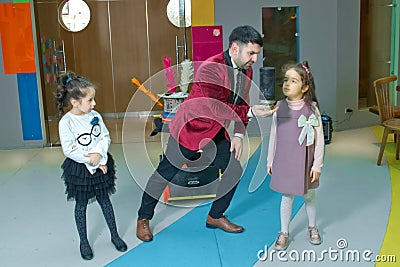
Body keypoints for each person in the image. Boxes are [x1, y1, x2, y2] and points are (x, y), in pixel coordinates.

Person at [136, 25, 278, 242]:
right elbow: (213, 107)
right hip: (191, 128)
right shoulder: (210, 68)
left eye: (257, 54)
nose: (255, 59)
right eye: (251, 53)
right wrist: (249, 112)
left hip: (215, 129)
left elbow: (242, 102)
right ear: (234, 48)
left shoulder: (246, 69)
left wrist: (239, 135)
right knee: (166, 172)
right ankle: (143, 217)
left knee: (233, 170)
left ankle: (215, 216)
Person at [55, 72, 127, 260]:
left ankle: (115, 235)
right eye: (90, 100)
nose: (94, 104)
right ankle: (84, 242)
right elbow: (69, 150)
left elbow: (104, 137)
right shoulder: (66, 122)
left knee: (105, 200)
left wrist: (100, 158)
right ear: (75, 102)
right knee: (81, 205)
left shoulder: (94, 115)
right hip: (80, 169)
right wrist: (91, 161)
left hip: (100, 163)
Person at [267, 61, 324, 250]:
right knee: (286, 197)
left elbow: (319, 140)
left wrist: (317, 165)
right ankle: (284, 231)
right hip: (285, 162)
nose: (287, 84)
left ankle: (312, 226)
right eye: (285, 80)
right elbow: (274, 136)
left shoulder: (312, 109)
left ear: (305, 87)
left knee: (310, 196)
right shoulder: (279, 107)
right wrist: (270, 160)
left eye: (293, 81)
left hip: (305, 163)